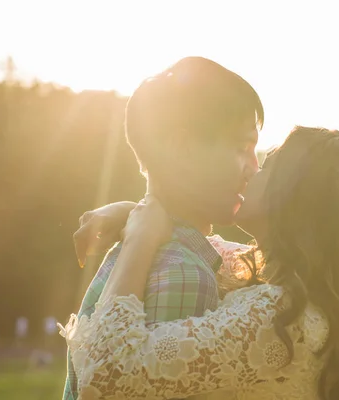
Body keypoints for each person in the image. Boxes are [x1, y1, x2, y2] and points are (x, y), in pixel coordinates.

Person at [63, 126, 339, 399]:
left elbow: (107, 377)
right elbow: (208, 245)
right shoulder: (306, 306)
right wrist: (131, 211)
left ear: (296, 198)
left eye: (267, 166)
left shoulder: (278, 318)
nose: (252, 169)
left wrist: (139, 240)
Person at [62, 56, 264, 400]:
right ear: (182, 147)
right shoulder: (185, 273)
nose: (254, 168)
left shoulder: (137, 247)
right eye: (242, 147)